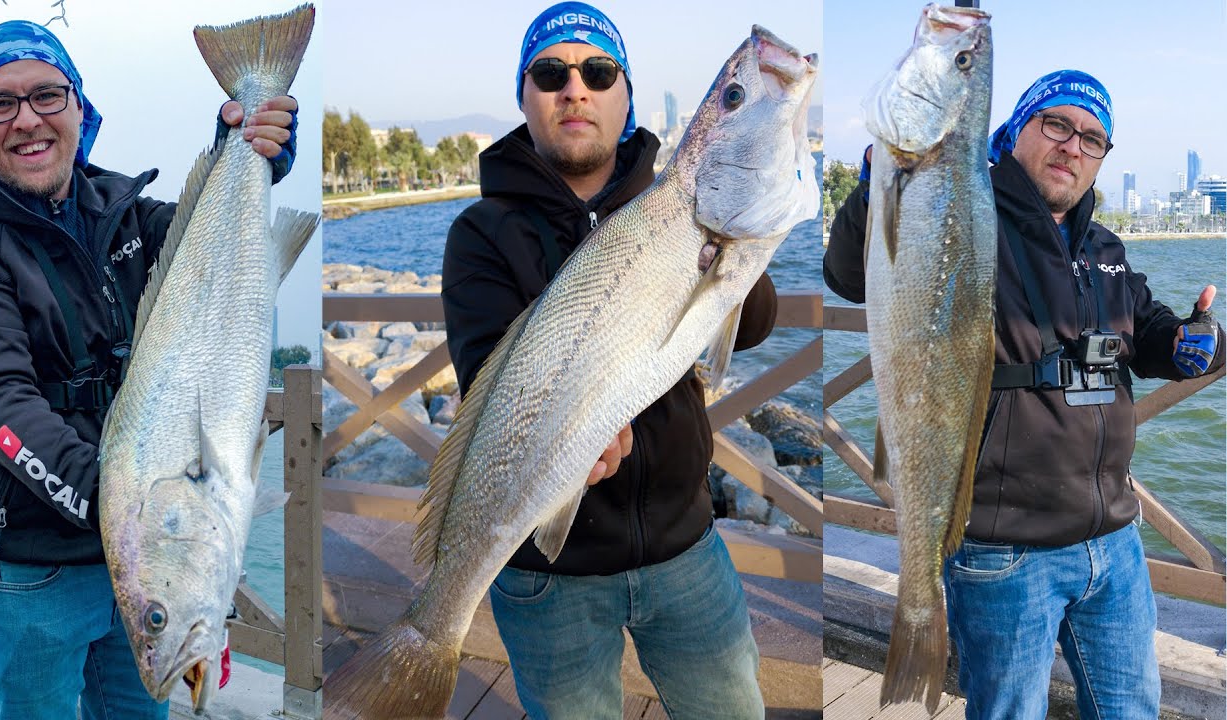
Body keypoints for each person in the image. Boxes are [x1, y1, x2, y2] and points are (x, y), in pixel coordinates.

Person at [825, 70, 1224, 719]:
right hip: (1004, 549)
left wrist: (1191, 339)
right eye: (1057, 124)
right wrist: (880, 189)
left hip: (1116, 541)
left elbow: (1144, 326)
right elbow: (852, 275)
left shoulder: (1106, 246)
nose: (1073, 146)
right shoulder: (964, 217)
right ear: (1014, 131)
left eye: (1093, 138)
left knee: (1132, 709)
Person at [0, 20, 299, 720]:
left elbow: (215, 250)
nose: (26, 120)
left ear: (81, 107)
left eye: (47, 94)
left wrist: (248, 146)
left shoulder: (125, 212)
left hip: (143, 570)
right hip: (30, 573)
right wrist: (122, 517)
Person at [441, 3, 776, 718]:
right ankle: (431, 629)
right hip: (544, 572)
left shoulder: (674, 202)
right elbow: (484, 384)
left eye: (598, 71)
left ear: (625, 94)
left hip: (685, 545)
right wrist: (570, 448)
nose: (575, 88)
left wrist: (734, 240)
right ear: (524, 96)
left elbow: (752, 327)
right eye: (549, 72)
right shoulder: (481, 232)